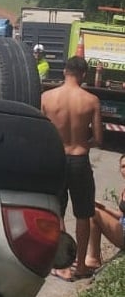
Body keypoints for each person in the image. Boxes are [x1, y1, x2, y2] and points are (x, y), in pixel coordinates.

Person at [41, 56, 103, 282]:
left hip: (56, 159)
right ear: (84, 75)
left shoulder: (46, 97)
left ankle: (62, 265)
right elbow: (98, 138)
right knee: (83, 213)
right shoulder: (91, 100)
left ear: (65, 71)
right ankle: (81, 267)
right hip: (79, 160)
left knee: (57, 211)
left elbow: (40, 133)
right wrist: (84, 144)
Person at [85, 154, 125, 268]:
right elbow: (122, 215)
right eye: (123, 167)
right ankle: (93, 257)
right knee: (95, 211)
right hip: (122, 228)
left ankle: (93, 259)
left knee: (94, 213)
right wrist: (104, 208)